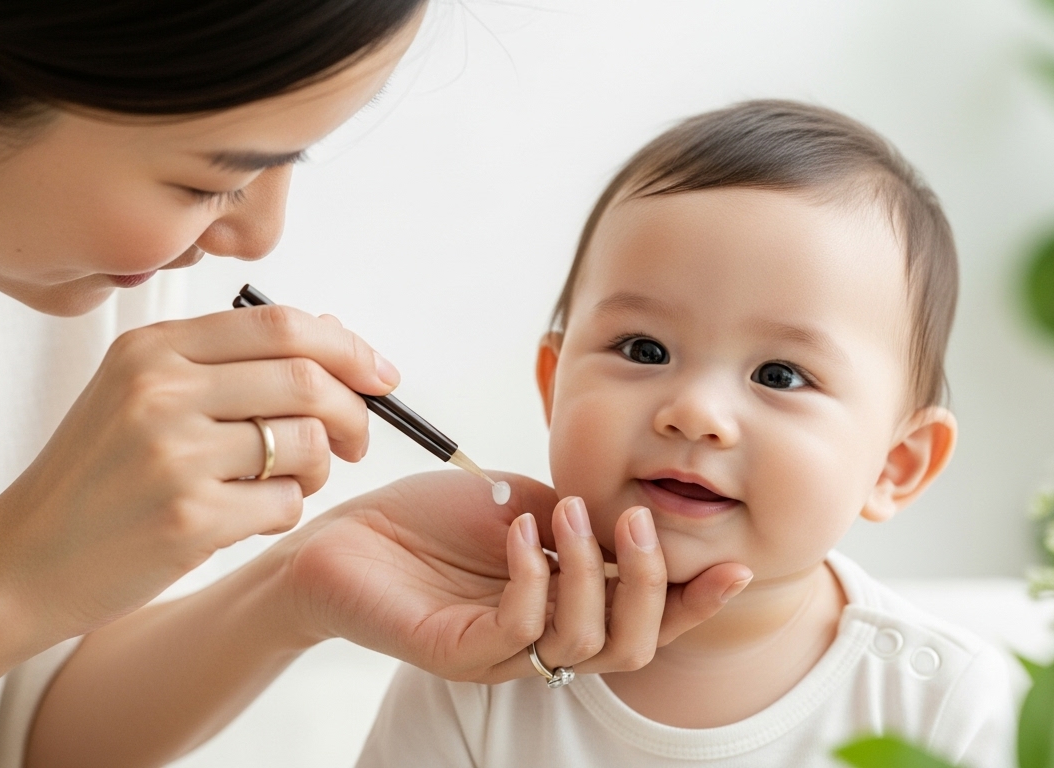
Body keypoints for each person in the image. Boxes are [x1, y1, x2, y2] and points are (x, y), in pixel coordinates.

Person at [0, 4, 756, 767]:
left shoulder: (63, 250)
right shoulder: (57, 237)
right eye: (208, 179)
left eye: (292, 158)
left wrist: (299, 584)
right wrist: (14, 571)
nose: (256, 237)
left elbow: (15, 741)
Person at [356, 100, 1016, 767]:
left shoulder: (942, 710)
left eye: (780, 375)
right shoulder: (480, 660)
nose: (695, 413)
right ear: (555, 387)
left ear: (895, 465)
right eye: (644, 350)